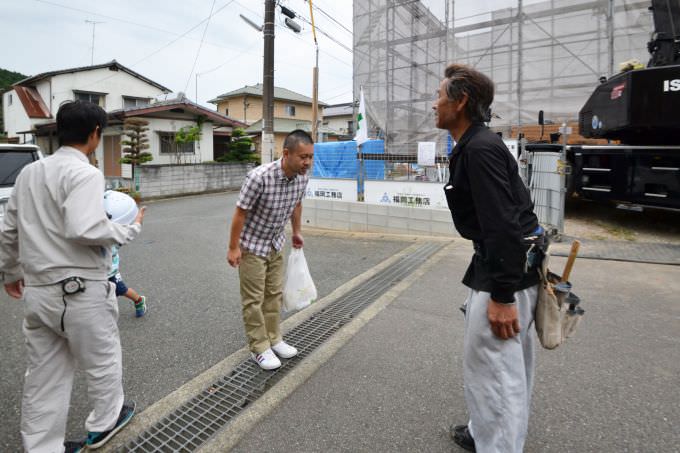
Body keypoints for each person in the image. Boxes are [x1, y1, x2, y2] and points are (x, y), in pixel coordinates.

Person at [0, 101, 146, 453]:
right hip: (79, 292)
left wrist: (10, 272)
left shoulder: (29, 173)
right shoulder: (86, 174)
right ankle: (106, 422)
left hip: (38, 292)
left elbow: (8, 229)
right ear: (95, 134)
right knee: (102, 360)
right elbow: (85, 227)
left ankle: (41, 448)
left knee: (43, 376)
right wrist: (130, 229)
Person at [433, 64, 545, 453]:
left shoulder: (479, 149)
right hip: (507, 264)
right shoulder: (477, 143)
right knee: (502, 366)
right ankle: (484, 434)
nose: (434, 104)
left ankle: (496, 446)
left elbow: (502, 226)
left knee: (496, 372)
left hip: (505, 271)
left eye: (439, 95)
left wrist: (501, 297)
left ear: (461, 101)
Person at [227, 129, 314, 371]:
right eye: (302, 157)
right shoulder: (258, 177)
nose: (307, 162)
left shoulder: (302, 177)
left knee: (274, 294)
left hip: (276, 242)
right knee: (253, 299)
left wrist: (296, 231)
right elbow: (240, 212)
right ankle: (259, 347)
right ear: (286, 153)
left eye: (310, 157)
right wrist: (233, 247)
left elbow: (296, 203)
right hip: (252, 245)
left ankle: (274, 338)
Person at [105, 190, 147, 318]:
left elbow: (130, 231)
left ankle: (139, 300)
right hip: (94, 273)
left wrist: (138, 219)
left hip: (111, 272)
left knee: (121, 290)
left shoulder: (115, 238)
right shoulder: (92, 234)